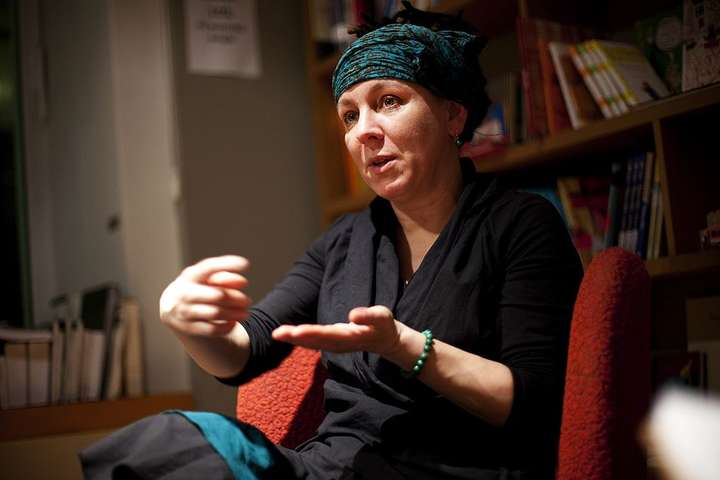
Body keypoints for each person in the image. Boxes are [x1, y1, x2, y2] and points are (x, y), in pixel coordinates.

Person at [80, 4, 583, 479]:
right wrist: (189, 326)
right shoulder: (346, 239)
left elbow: (536, 404)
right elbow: (249, 348)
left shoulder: (520, 224)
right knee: (163, 444)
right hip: (331, 467)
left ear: (453, 115)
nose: (364, 132)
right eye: (349, 115)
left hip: (455, 469)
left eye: (388, 102)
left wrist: (402, 345)